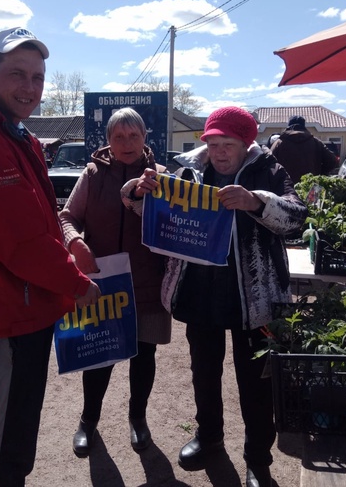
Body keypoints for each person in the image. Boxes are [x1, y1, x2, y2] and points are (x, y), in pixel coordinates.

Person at [0, 27, 101, 487]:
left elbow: (38, 215)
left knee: (16, 430)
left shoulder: (14, 134)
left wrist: (68, 239)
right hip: (8, 314)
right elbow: (19, 242)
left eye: (38, 77)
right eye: (17, 75)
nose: (30, 87)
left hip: (28, 309)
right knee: (1, 439)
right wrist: (76, 283)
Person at [122, 106, 307, 487]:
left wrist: (256, 201)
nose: (220, 152)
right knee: (204, 374)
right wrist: (140, 195)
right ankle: (209, 438)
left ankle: (258, 458)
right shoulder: (188, 172)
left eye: (229, 144)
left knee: (255, 381)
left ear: (246, 144)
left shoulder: (268, 170)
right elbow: (159, 216)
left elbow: (297, 217)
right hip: (200, 293)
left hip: (254, 300)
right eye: (214, 143)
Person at [59, 107, 171, 457]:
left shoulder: (162, 176)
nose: (126, 143)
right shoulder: (92, 174)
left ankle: (138, 419)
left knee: (144, 355)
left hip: (148, 284)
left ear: (145, 138)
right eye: (118, 137)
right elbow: (67, 217)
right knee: (99, 357)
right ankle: (87, 422)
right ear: (107, 141)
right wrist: (76, 243)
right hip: (102, 283)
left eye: (133, 136)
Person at [270, 115, 338, 183]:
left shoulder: (279, 144)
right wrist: (319, 174)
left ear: (288, 126)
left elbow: (269, 165)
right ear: (303, 126)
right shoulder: (316, 143)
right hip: (309, 188)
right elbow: (332, 161)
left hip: (285, 189)